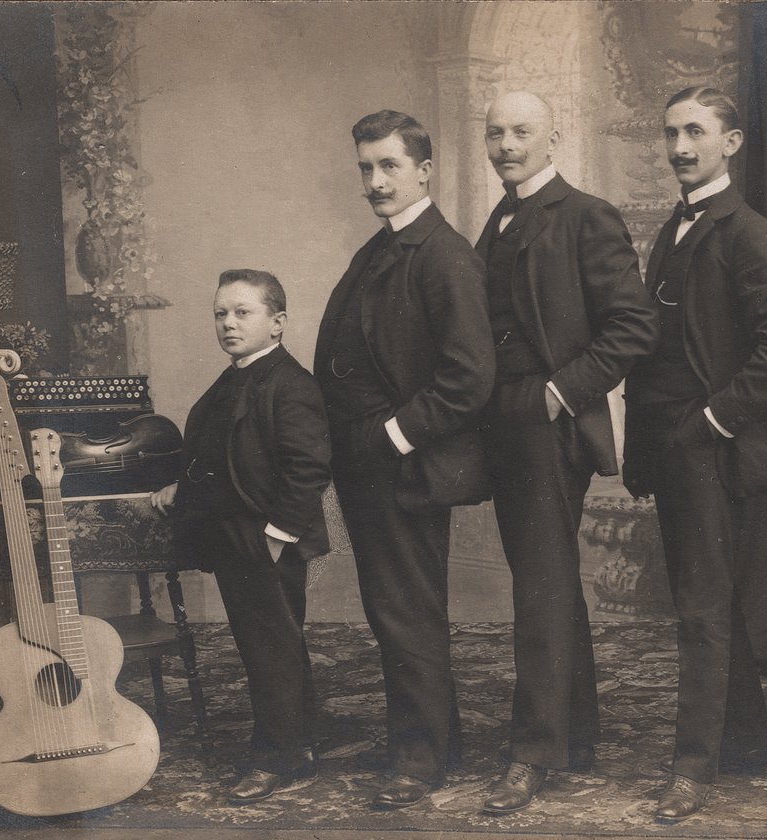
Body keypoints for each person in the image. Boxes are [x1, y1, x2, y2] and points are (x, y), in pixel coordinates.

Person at [622, 86, 767, 823]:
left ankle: (693, 767)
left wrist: (710, 421)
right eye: (671, 133)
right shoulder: (675, 227)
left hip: (711, 448)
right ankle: (746, 743)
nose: (679, 148)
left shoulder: (749, 233)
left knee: (701, 609)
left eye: (695, 132)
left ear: (730, 143)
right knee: (708, 599)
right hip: (673, 447)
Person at [474, 90, 659, 815]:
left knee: (540, 587)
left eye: (521, 131)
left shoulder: (585, 215)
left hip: (549, 425)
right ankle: (575, 734)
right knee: (545, 578)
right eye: (496, 133)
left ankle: (534, 752)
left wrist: (560, 394)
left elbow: (633, 325)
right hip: (505, 423)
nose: (507, 145)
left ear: (553, 139)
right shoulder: (498, 218)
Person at [313, 110, 495, 810]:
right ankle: (431, 742)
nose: (376, 181)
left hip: (403, 466)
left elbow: (469, 377)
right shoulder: (382, 247)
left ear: (423, 170)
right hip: (368, 464)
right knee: (392, 609)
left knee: (407, 612)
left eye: (389, 166)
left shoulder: (443, 255)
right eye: (366, 167)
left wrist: (390, 439)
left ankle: (421, 759)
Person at [152, 269, 331, 803]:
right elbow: (220, 454)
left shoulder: (290, 383)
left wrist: (276, 536)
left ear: (277, 323)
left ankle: (277, 757)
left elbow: (308, 467)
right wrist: (181, 487)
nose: (228, 324)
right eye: (220, 313)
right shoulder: (236, 377)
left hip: (264, 537)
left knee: (269, 647)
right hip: (232, 534)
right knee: (271, 643)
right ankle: (301, 741)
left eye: (242, 312)